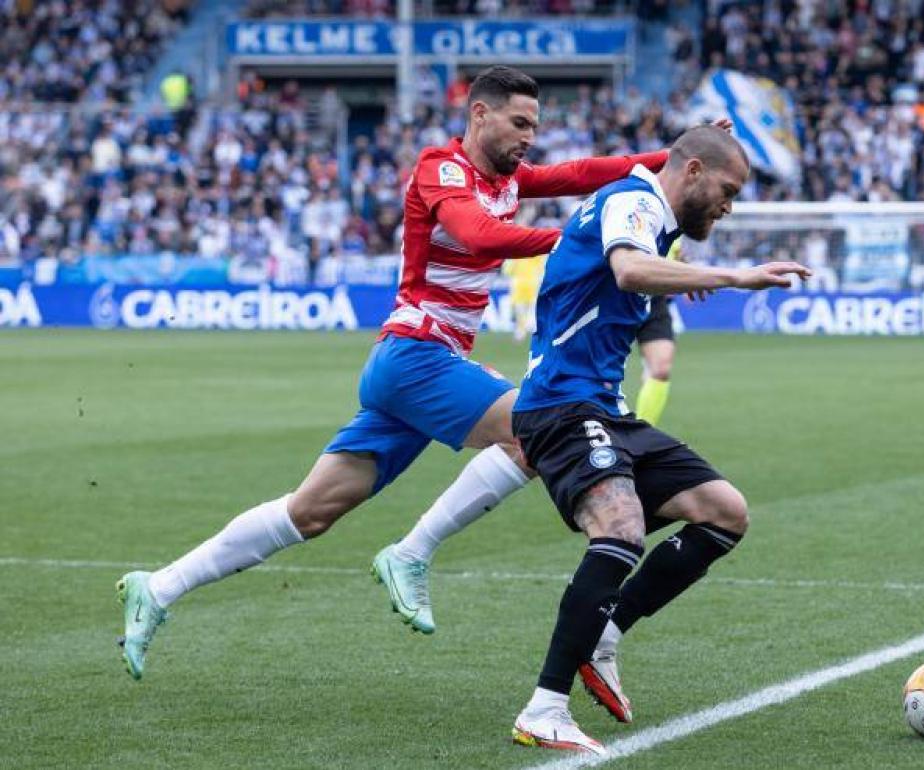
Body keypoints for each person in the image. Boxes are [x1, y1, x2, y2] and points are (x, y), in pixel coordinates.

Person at [114, 66, 674, 680]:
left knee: (310, 512)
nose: (529, 138)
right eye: (519, 123)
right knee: (535, 430)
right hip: (415, 355)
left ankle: (159, 587)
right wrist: (577, 239)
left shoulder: (509, 179)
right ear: (478, 114)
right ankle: (413, 552)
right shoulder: (441, 167)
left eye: (535, 127)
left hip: (421, 367)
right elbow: (476, 234)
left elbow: (583, 172)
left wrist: (667, 159)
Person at [508, 125, 811, 754]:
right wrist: (731, 276)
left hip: (604, 410)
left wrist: (681, 266)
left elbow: (639, 258)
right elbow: (626, 270)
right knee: (618, 528)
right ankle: (544, 708)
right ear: (693, 170)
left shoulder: (654, 216)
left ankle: (607, 633)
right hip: (560, 405)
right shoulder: (634, 201)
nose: (730, 206)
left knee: (724, 512)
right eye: (727, 191)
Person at [633, 236, 681, 424]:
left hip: (654, 297)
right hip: (619, 294)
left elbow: (675, 255)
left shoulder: (678, 222)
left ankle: (642, 432)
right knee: (600, 373)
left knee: (660, 368)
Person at [504, 250, 546, 341]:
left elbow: (507, 270)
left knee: (521, 309)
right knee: (527, 309)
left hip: (521, 284)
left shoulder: (515, 253)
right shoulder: (536, 252)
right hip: (530, 283)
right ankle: (524, 330)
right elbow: (542, 267)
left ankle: (521, 331)